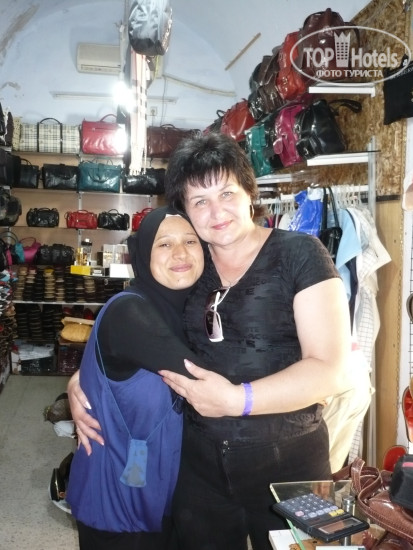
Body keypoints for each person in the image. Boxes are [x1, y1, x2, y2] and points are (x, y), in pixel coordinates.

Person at [69, 133, 353, 550]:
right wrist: (85, 379)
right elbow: (143, 328)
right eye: (200, 201)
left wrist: (240, 400)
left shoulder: (302, 254)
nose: (216, 212)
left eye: (227, 193)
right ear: (185, 211)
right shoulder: (191, 268)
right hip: (199, 472)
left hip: (292, 462)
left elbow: (331, 369)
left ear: (250, 193)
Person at [65, 206, 205, 550]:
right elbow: (206, 378)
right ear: (143, 254)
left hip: (163, 492)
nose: (180, 253)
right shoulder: (129, 312)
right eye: (164, 244)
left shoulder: (190, 311)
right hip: (117, 503)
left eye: (191, 241)